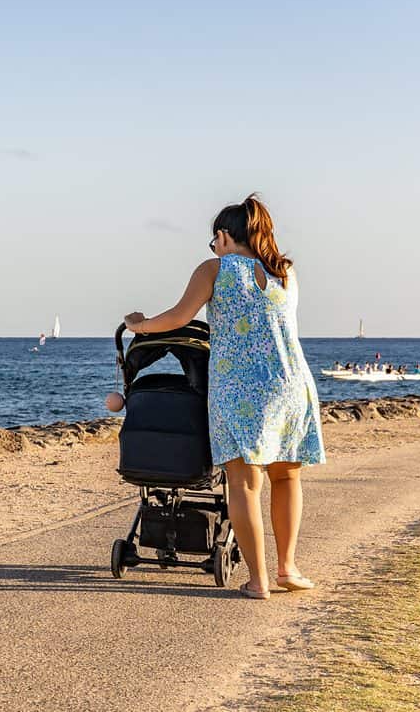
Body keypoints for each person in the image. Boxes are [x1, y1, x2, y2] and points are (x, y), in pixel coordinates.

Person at [124, 194, 325, 600]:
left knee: (245, 484)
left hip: (240, 389)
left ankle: (258, 580)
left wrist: (140, 325)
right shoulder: (285, 273)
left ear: (222, 235)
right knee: (286, 477)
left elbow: (180, 317)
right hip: (291, 384)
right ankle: (287, 567)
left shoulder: (215, 269)